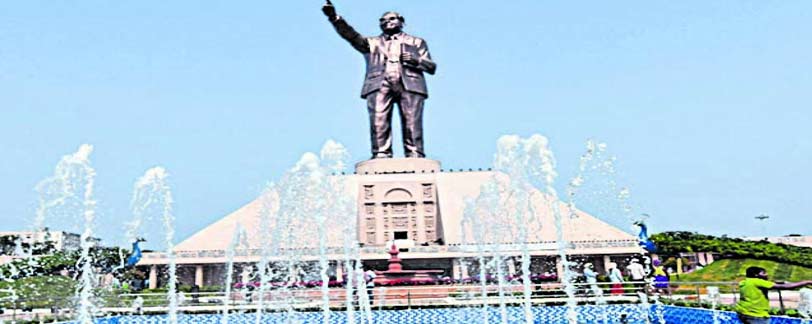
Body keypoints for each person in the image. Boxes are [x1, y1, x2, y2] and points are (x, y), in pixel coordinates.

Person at [322, 1, 437, 159]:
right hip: (379, 84)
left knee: (412, 122)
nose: (387, 22)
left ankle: (415, 154)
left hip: (410, 83)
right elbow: (351, 36)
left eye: (391, 19)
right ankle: (381, 154)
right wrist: (334, 18)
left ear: (401, 22)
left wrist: (416, 60)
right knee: (378, 121)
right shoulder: (372, 43)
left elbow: (431, 67)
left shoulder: (416, 42)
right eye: (383, 20)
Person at [735, 266, 812, 324]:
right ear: (756, 275)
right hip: (756, 315)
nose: (766, 274)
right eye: (764, 273)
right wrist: (807, 282)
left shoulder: (745, 282)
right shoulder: (757, 281)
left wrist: (778, 283)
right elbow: (785, 287)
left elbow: (768, 285)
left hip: (742, 312)